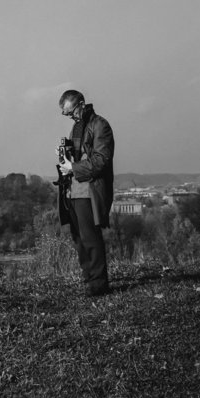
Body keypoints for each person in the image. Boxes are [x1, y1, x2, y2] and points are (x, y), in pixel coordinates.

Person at [56, 90, 114, 296]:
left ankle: (99, 285)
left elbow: (101, 161)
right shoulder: (77, 126)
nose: (70, 117)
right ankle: (88, 279)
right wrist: (65, 156)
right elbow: (80, 156)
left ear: (81, 104)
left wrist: (72, 167)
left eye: (71, 112)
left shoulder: (101, 125)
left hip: (89, 191)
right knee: (78, 238)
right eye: (66, 114)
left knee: (90, 238)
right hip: (73, 191)